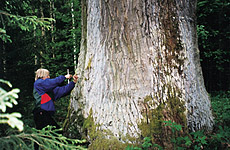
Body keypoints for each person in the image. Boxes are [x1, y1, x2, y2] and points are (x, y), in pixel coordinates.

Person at [33, 68, 77, 149]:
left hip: (45, 113)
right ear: (42, 76)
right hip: (40, 113)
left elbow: (63, 90)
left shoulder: (49, 89)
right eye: (47, 75)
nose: (49, 77)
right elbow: (50, 82)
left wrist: (73, 82)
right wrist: (64, 77)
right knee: (52, 133)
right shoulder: (38, 83)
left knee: (47, 134)